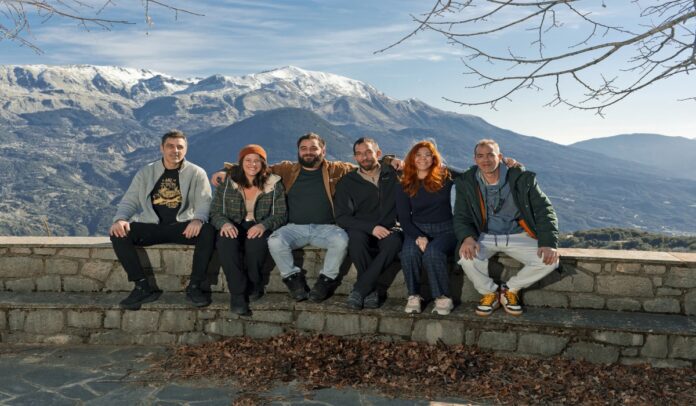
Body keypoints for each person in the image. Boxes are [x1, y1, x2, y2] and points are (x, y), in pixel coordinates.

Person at [110, 130, 215, 310]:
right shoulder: (146, 172)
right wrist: (120, 219)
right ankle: (141, 286)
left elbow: (204, 201)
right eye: (170, 146)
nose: (175, 151)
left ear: (186, 149)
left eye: (180, 147)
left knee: (208, 231)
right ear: (162, 148)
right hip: (152, 226)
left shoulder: (196, 173)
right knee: (119, 233)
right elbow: (130, 200)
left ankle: (195, 286)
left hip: (183, 227)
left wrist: (198, 219)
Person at [454, 139, 559, 317]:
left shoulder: (521, 179)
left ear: (500, 157)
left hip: (518, 235)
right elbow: (461, 215)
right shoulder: (467, 182)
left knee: (550, 261)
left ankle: (510, 289)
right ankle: (489, 293)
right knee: (466, 258)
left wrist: (548, 243)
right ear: (475, 159)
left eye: (490, 155)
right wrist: (468, 238)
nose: (485, 160)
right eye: (480, 156)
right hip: (485, 236)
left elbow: (545, 210)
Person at [209, 145, 287, 315]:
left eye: (257, 161)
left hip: (259, 224)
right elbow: (215, 212)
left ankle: (254, 284)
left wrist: (263, 225)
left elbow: (280, 214)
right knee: (226, 242)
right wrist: (224, 224)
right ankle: (237, 294)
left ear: (263, 163)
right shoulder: (228, 182)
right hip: (233, 223)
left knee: (257, 243)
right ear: (241, 162)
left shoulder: (274, 184)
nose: (253, 164)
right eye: (248, 160)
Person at [334, 137, 403, 310]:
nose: (364, 157)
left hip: (389, 228)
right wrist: (371, 228)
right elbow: (342, 217)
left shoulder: (394, 175)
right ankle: (371, 291)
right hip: (362, 229)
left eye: (368, 152)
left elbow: (424, 168)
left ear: (378, 153)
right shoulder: (347, 182)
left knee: (394, 242)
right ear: (355, 157)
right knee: (355, 240)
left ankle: (361, 289)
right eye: (359, 154)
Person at [395, 140, 457, 315]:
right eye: (418, 155)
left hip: (446, 230)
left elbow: (473, 173)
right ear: (412, 158)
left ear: (434, 158)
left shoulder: (446, 177)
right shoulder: (404, 184)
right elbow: (404, 219)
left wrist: (510, 164)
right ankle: (414, 295)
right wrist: (418, 236)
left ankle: (443, 297)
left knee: (433, 252)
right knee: (409, 253)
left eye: (428, 155)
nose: (423, 158)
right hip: (416, 229)